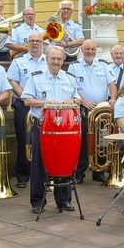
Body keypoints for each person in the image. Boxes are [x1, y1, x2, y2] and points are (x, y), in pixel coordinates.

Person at [22, 46, 79, 214]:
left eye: (59, 59)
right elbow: (27, 100)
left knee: (64, 162)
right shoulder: (36, 78)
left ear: (63, 61)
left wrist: (72, 101)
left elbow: (78, 99)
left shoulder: (69, 79)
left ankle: (64, 200)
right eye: (53, 59)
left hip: (65, 127)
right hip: (43, 125)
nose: (56, 62)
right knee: (40, 163)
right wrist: (45, 103)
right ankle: (38, 201)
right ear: (46, 60)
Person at [7, 32, 47, 190]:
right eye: (32, 41)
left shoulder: (48, 61)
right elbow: (13, 82)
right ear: (27, 43)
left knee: (44, 141)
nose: (35, 44)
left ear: (42, 43)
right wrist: (26, 98)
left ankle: (45, 174)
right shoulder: (18, 61)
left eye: (38, 41)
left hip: (44, 105)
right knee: (24, 140)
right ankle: (23, 175)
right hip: (24, 104)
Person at [69, 39, 110, 183]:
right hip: (84, 108)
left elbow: (111, 84)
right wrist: (84, 101)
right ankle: (79, 173)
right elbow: (71, 88)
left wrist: (113, 99)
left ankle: (99, 172)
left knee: (102, 140)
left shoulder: (103, 65)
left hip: (101, 109)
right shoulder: (74, 66)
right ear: (82, 49)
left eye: (92, 49)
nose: (90, 52)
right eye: (87, 49)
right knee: (82, 142)